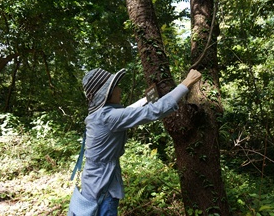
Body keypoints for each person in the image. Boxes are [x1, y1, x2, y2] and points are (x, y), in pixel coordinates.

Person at [81, 68, 201, 216]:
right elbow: (154, 111)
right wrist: (186, 82)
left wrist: (146, 99)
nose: (120, 89)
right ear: (109, 93)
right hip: (103, 187)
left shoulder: (98, 115)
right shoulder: (110, 117)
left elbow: (128, 111)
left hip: (92, 183)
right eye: (116, 86)